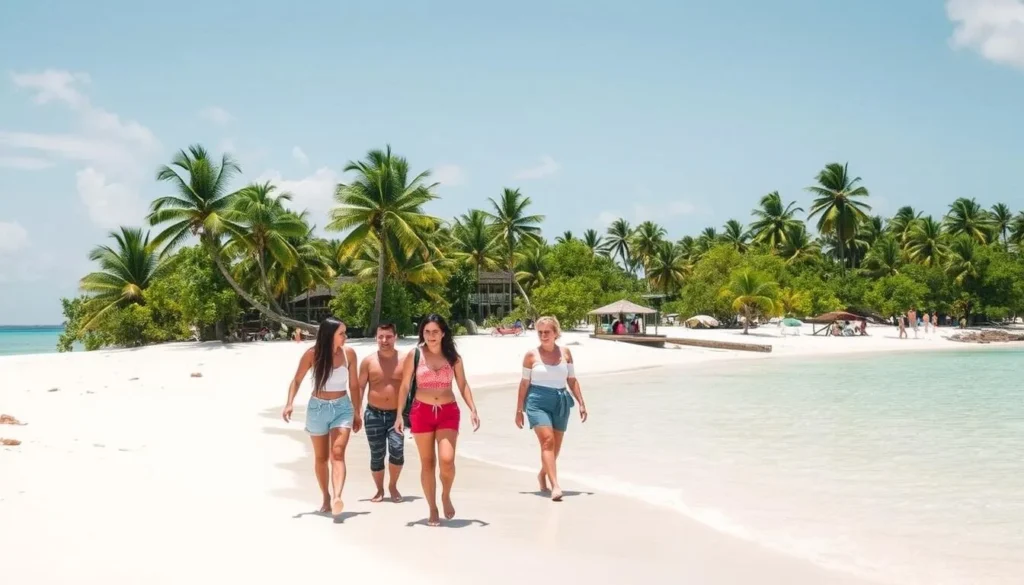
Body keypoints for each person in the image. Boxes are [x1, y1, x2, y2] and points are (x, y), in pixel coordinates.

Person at [394, 314, 481, 526]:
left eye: (435, 332)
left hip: (448, 412)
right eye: (427, 331)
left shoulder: (454, 358)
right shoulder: (415, 355)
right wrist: (398, 414)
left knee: (447, 460)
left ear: (443, 333)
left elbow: (463, 384)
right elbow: (405, 385)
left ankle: (446, 495)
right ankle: (432, 507)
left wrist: (473, 409)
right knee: (428, 463)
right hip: (421, 412)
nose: (431, 336)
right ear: (422, 333)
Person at [281, 318, 361, 516]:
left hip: (342, 407)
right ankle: (325, 496)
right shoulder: (312, 354)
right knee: (321, 457)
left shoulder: (349, 353)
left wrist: (357, 412)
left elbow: (354, 385)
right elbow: (297, 379)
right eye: (342, 333)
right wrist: (289, 403)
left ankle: (337, 496)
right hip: (317, 408)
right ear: (330, 335)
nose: (346, 337)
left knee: (338, 453)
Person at [516, 316, 587, 501]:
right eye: (540, 332)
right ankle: (555, 485)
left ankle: (542, 474)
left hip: (561, 400)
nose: (543, 335)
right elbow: (524, 384)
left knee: (556, 445)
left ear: (556, 333)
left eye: (547, 332)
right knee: (547, 441)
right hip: (537, 400)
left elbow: (571, 379)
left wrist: (581, 403)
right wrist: (518, 410)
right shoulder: (531, 356)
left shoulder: (566, 353)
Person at [356, 323, 407, 503]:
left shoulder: (405, 360)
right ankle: (379, 489)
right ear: (376, 338)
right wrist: (357, 411)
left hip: (397, 415)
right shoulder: (368, 361)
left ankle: (393, 485)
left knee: (397, 450)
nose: (384, 340)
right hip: (373, 414)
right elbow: (359, 387)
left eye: (388, 336)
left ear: (396, 337)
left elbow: (412, 387)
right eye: (381, 337)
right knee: (376, 454)